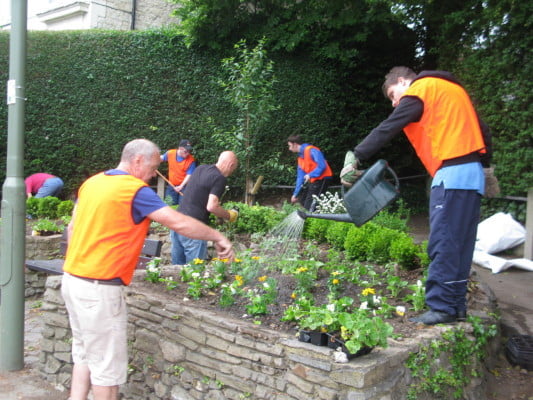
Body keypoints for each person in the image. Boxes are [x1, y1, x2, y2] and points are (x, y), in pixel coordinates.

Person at [61, 139, 234, 400]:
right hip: (100, 289)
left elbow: (72, 228)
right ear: (137, 160)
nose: (155, 174)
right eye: (153, 167)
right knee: (106, 370)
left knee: (84, 353)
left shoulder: (93, 182)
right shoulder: (134, 190)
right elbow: (177, 222)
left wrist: (78, 265)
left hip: (72, 280)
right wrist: (218, 236)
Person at [351, 66, 492, 325]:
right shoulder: (454, 90)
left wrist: (357, 154)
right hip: (473, 176)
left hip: (451, 175)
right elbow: (483, 130)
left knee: (443, 242)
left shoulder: (421, 89)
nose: (396, 103)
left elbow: (390, 126)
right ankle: (456, 305)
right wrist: (486, 165)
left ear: (404, 81)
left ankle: (441, 307)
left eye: (394, 95)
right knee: (461, 244)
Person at [171, 151, 239, 265]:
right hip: (194, 228)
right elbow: (212, 206)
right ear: (231, 165)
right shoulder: (219, 178)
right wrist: (230, 215)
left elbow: (199, 195)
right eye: (233, 169)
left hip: (177, 223)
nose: (232, 172)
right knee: (195, 272)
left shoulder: (200, 168)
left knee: (177, 272)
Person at [287, 135, 333, 211]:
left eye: (290, 146)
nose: (289, 149)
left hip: (323, 178)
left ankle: (313, 218)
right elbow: (300, 177)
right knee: (302, 200)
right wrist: (295, 194)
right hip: (315, 181)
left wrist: (310, 174)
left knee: (310, 206)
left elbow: (322, 166)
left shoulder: (311, 150)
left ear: (295, 144)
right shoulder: (300, 158)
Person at [160, 139, 197, 205]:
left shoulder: (191, 160)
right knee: (169, 205)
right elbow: (161, 158)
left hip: (185, 187)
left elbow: (189, 175)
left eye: (189, 151)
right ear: (180, 148)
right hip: (171, 185)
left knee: (183, 206)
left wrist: (181, 186)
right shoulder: (170, 153)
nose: (188, 153)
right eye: (186, 151)